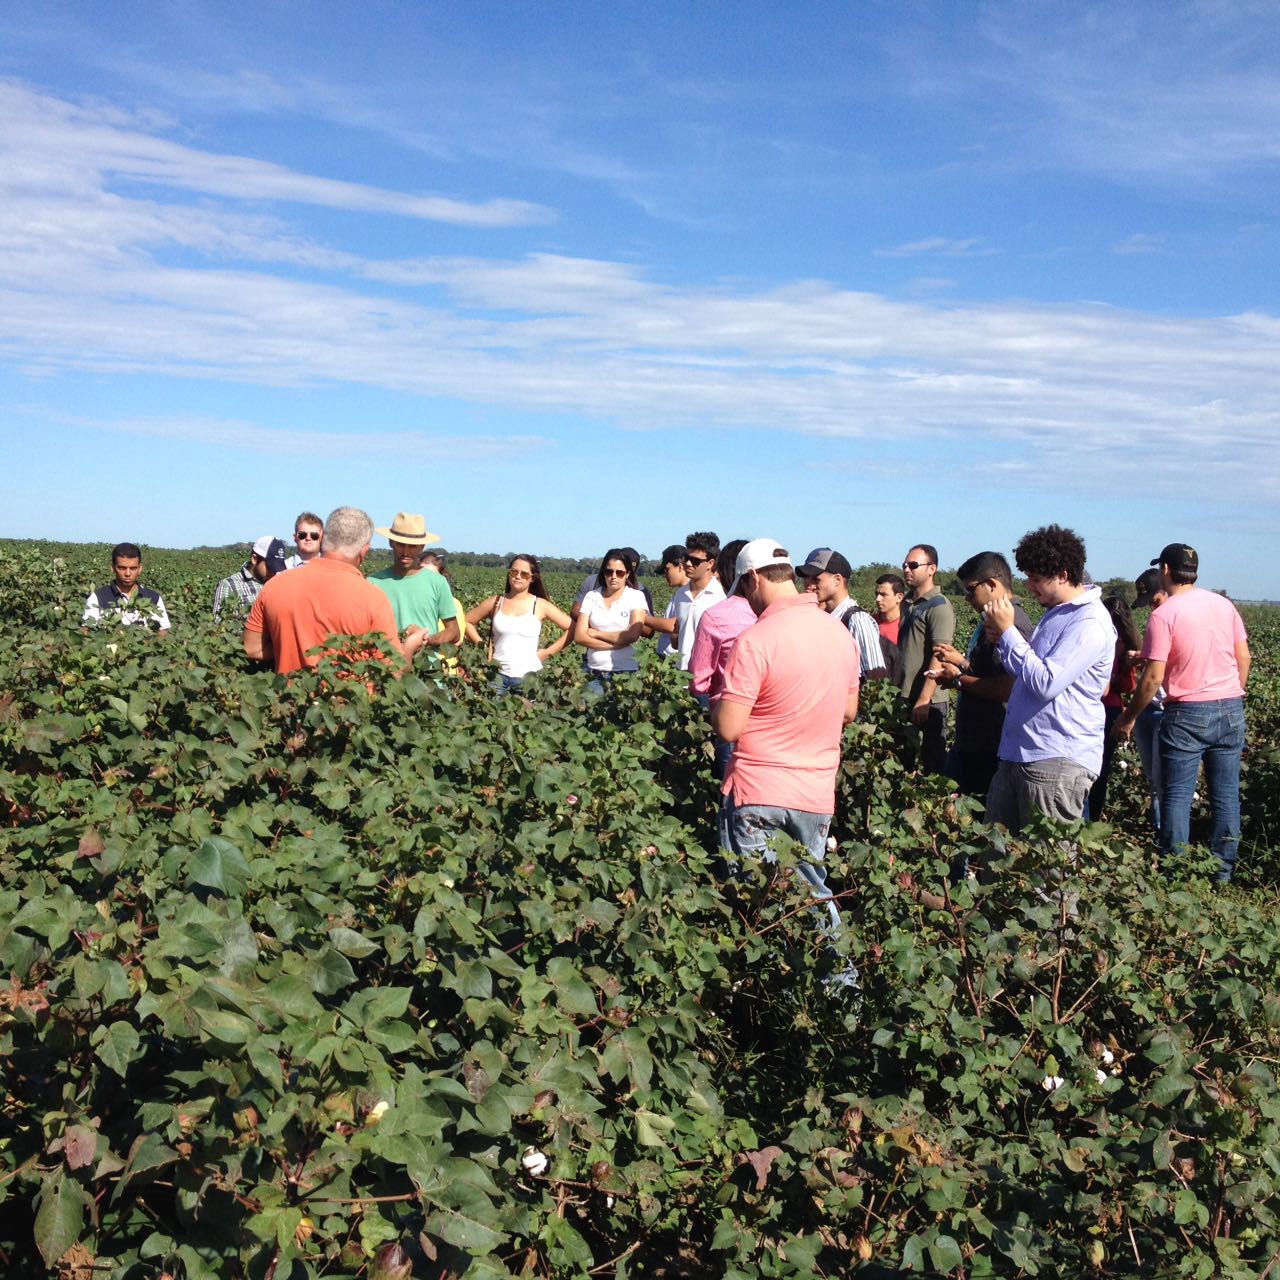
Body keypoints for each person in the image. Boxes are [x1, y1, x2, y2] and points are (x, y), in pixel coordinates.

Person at [711, 539, 859, 936]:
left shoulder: (756, 639)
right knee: (808, 894)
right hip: (815, 793)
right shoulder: (840, 635)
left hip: (759, 790)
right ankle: (820, 986)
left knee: (767, 907)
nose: (747, 600)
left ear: (754, 578)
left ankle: (839, 984)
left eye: (744, 588)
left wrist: (716, 701)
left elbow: (728, 728)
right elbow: (848, 711)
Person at [1112, 543, 1251, 881]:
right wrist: (1231, 693)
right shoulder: (1223, 605)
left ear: (1165, 571)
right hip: (1231, 706)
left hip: (1188, 711)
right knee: (1226, 795)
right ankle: (1223, 874)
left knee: (1175, 795)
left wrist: (1127, 718)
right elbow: (1243, 658)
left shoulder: (1165, 614)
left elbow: (1153, 678)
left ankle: (1176, 874)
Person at [983, 525, 1115, 833]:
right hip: (1020, 752)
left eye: (1035, 577)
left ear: (1063, 575)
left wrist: (1008, 633)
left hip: (1055, 760)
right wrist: (1002, 640)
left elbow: (1045, 683)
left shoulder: (1089, 622)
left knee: (1047, 871)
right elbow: (1029, 675)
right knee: (995, 856)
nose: (1029, 586)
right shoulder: (1057, 614)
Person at [244, 507, 425, 673]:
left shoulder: (275, 585)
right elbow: (394, 672)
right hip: (350, 706)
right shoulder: (373, 598)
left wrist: (293, 649)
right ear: (364, 552)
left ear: (323, 540)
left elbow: (252, 648)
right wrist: (409, 647)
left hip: (287, 704)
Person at [930, 551, 1033, 808]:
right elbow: (990, 671)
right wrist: (961, 662)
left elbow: (1005, 688)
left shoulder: (1012, 624)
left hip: (989, 742)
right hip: (975, 740)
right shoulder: (989, 620)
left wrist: (959, 679)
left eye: (971, 590)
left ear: (992, 585)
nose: (967, 599)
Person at [689, 538, 753, 778]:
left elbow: (698, 680)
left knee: (728, 786)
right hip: (773, 723)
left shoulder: (718, 616)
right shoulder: (782, 616)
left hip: (730, 715)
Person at [467, 554, 573, 690]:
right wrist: (483, 646)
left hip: (527, 679)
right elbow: (467, 621)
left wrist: (547, 652)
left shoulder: (540, 605)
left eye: (524, 574)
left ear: (532, 578)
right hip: (497, 675)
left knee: (526, 711)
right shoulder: (496, 601)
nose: (518, 576)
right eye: (514, 572)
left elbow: (573, 628)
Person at [367, 513, 461, 659]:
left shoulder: (437, 582)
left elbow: (454, 632)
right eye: (400, 544)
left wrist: (426, 640)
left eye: (412, 546)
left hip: (428, 673)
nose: (406, 551)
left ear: (422, 546)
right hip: (386, 671)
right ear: (391, 542)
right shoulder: (373, 583)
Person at [896, 544, 955, 773]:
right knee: (902, 762)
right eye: (905, 565)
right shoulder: (908, 603)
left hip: (928, 700)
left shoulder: (939, 606)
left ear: (932, 569)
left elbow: (939, 654)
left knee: (933, 765)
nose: (907, 570)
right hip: (905, 694)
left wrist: (924, 699)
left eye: (913, 565)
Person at [1087, 595, 1141, 822]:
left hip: (1106, 711)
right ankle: (1088, 817)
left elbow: (1129, 685)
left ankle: (1091, 818)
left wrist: (1121, 667)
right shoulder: (1094, 639)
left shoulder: (1127, 647)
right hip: (1097, 709)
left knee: (1098, 769)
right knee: (1094, 768)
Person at [796, 548, 887, 682]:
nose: (809, 585)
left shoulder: (858, 620)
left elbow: (875, 677)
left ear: (837, 580)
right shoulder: (822, 618)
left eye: (816, 579)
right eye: (806, 578)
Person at [1128, 567, 1169, 831]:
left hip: (1167, 711)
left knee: (1166, 785)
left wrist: (1127, 716)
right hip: (1149, 708)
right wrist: (1144, 656)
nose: (1152, 609)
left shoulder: (1176, 618)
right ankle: (1160, 834)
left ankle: (1168, 843)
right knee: (1155, 781)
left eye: (1155, 601)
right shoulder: (1159, 620)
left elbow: (1158, 674)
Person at [573, 549, 649, 689]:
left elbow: (633, 634)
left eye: (619, 573)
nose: (614, 576)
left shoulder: (636, 596)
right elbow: (579, 636)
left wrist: (597, 634)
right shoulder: (591, 596)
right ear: (603, 573)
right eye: (609, 572)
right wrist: (619, 643)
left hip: (627, 673)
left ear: (627, 574)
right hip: (593, 672)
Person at [83, 543, 171, 633]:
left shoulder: (153, 598)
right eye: (122, 568)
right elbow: (87, 633)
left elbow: (163, 633)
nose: (127, 574)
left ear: (140, 569)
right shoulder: (98, 598)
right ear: (113, 568)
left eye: (133, 568)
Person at [675, 531, 724, 671]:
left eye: (695, 561)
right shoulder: (680, 594)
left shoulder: (721, 596)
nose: (688, 564)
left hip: (707, 677)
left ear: (710, 563)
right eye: (686, 558)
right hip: (681, 675)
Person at [213, 536, 288, 622]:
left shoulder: (279, 584)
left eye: (277, 567)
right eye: (270, 566)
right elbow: (219, 623)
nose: (273, 571)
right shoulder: (229, 585)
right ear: (254, 559)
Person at [643, 545, 690, 660]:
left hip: (673, 661)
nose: (665, 575)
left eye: (667, 569)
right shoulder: (680, 593)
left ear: (680, 567)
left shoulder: (689, 594)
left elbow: (672, 626)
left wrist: (643, 617)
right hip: (666, 658)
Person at [874, 573, 906, 646]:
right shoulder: (870, 623)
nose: (878, 599)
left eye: (883, 595)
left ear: (899, 597)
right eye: (877, 594)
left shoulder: (908, 627)